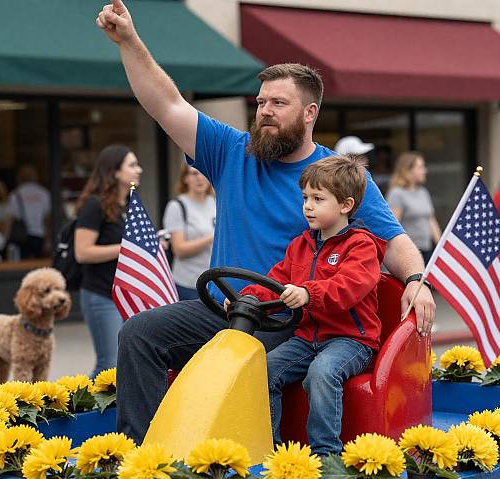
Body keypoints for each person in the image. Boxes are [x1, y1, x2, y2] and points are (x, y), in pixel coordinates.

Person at [96, 0, 435, 444]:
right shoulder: (231, 150)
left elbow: (392, 240)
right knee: (139, 334)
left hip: (289, 319)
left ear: (310, 113)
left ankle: (257, 465)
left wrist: (416, 278)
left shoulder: (339, 176)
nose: (265, 111)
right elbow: (166, 104)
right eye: (260, 103)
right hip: (219, 307)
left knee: (238, 364)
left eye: (279, 103)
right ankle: (138, 457)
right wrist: (129, 41)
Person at [228, 155, 384, 455]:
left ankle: (327, 457)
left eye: (318, 198)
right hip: (306, 338)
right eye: (305, 198)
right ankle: (268, 451)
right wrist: (246, 298)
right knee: (263, 369)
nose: (308, 206)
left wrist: (307, 293)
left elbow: (348, 287)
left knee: (322, 373)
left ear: (345, 205)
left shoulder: (361, 246)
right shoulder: (301, 245)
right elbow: (274, 281)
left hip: (351, 340)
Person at [74, 145, 143, 378]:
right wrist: (126, 248)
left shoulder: (127, 204)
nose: (139, 170)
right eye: (132, 165)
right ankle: (87, 411)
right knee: (108, 364)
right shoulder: (94, 205)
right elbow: (82, 252)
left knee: (122, 363)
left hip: (124, 295)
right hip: (101, 295)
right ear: (114, 172)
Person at [162, 163, 215, 300]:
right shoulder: (177, 206)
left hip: (215, 283)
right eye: (194, 173)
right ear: (185, 178)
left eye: (203, 173)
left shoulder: (215, 202)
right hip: (188, 284)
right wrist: (211, 237)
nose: (200, 178)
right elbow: (179, 249)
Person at [386, 152, 442, 265]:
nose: (425, 170)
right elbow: (392, 226)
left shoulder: (423, 192)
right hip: (409, 253)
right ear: (408, 170)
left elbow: (431, 221)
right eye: (420, 167)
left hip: (427, 250)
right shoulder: (397, 193)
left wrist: (442, 246)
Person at [7, 164, 51, 259]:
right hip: (40, 235)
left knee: (23, 264)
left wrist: (6, 239)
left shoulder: (15, 194)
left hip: (22, 236)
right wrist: (48, 239)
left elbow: (11, 218)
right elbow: (47, 218)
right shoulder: (44, 193)